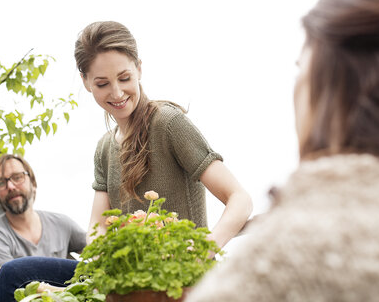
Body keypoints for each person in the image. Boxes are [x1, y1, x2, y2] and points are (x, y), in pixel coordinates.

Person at [186, 0, 379, 300]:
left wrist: (201, 253)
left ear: (324, 82)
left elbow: (239, 198)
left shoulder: (275, 265)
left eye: (303, 67)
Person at [76, 20, 253, 249]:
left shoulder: (168, 124)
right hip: (132, 281)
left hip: (186, 279)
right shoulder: (104, 148)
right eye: (102, 84)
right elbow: (97, 225)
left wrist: (202, 251)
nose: (117, 92)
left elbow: (240, 199)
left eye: (124, 78)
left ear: (139, 69)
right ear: (86, 82)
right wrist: (101, 254)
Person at [0, 154, 86, 302]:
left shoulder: (62, 224)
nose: (11, 186)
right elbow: (8, 286)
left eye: (17, 177)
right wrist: (79, 292)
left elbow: (97, 249)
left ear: (32, 182)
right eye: (1, 182)